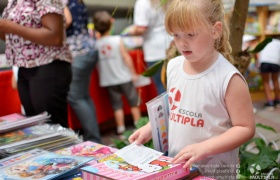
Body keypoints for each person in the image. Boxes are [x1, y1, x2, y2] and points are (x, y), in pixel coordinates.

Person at [129, 0, 255, 178]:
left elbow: (245, 128)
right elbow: (176, 107)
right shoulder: (173, 66)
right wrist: (151, 127)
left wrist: (204, 148)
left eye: (190, 34)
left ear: (215, 30)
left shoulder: (229, 78)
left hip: (213, 172)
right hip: (178, 167)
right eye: (176, 35)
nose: (182, 43)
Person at [0, 0, 72, 128]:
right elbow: (13, 38)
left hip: (48, 64)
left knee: (53, 129)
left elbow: (55, 37)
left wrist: (10, 27)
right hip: (24, 66)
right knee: (36, 129)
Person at [93, 11, 141, 136]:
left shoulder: (96, 44)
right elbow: (126, 57)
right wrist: (133, 73)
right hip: (124, 77)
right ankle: (138, 125)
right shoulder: (117, 39)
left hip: (109, 80)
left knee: (116, 105)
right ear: (110, 25)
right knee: (133, 102)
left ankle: (120, 128)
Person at [64, 0, 102, 143]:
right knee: (83, 96)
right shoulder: (78, 2)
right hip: (88, 49)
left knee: (75, 97)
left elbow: (67, 21)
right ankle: (94, 137)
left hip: (77, 51)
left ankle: (93, 139)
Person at [128, 0, 173, 95]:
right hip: (172, 45)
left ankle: (169, 110)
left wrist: (130, 31)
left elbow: (141, 28)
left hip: (155, 51)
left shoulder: (143, 2)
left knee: (163, 87)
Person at [257, 38, 280, 111]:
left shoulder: (264, 41)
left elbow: (258, 52)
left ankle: (270, 103)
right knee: (275, 80)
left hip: (264, 62)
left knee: (266, 82)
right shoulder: (278, 42)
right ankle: (277, 100)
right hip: (275, 62)